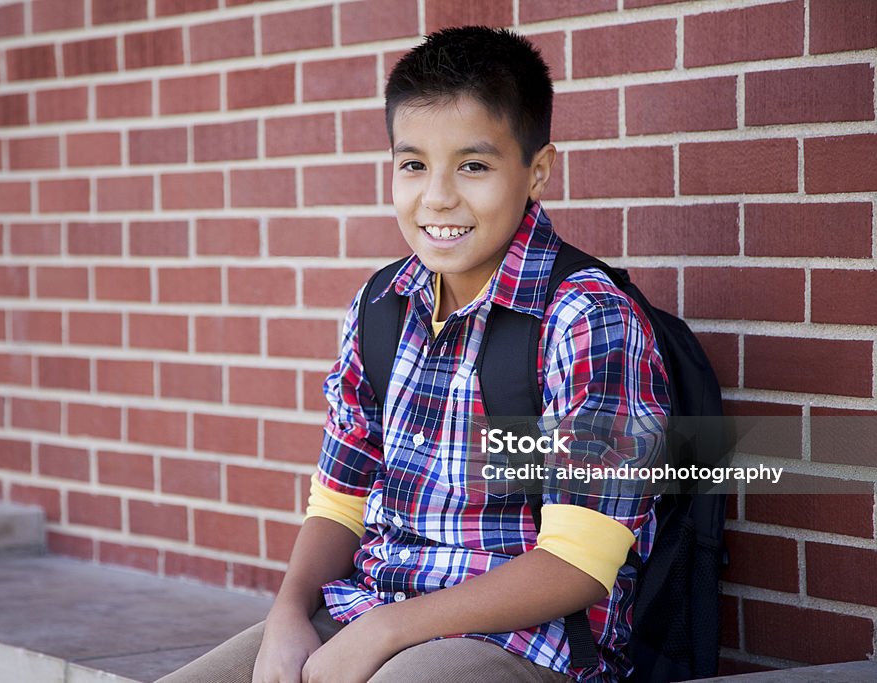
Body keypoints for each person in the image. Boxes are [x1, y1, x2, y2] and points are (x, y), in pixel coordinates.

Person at [157, 25, 670, 683]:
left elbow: (579, 561)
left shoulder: (584, 318)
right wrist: (288, 613)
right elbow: (341, 499)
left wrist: (385, 632)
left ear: (536, 171)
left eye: (474, 165)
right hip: (369, 608)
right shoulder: (381, 307)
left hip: (523, 642)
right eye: (414, 164)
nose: (437, 197)